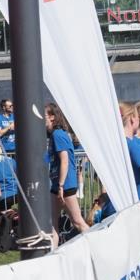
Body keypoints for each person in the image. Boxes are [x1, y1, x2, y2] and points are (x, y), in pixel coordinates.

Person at [45, 102, 88, 244]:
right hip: (57, 184)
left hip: (65, 183)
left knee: (77, 222)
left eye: (44, 115)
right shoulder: (55, 135)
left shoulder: (58, 134)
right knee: (52, 224)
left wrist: (61, 186)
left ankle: (98, 247)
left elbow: (65, 161)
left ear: (52, 117)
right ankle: (52, 257)